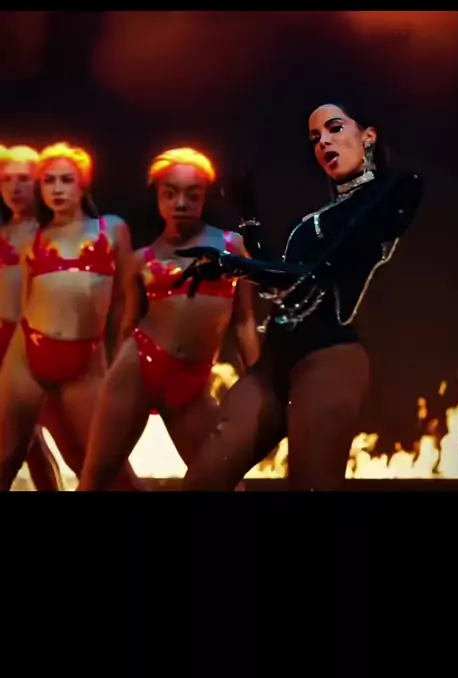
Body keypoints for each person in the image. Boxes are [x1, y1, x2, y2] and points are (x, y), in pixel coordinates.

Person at [173, 104, 423, 491]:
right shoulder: (311, 222)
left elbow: (319, 271)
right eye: (315, 137)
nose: (323, 141)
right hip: (274, 365)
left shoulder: (393, 191)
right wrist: (248, 214)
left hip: (328, 359)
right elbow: (282, 282)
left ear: (368, 137)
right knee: (203, 478)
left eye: (334, 128)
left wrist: (230, 264)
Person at [77, 147, 259, 490]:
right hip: (137, 367)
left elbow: (244, 322)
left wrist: (259, 381)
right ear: (158, 196)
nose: (181, 203)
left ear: (204, 196)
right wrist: (111, 379)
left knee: (225, 481)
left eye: (193, 194)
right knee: (96, 479)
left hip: (192, 383)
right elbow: (128, 323)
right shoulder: (140, 260)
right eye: (170, 193)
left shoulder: (231, 247)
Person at [0, 141, 143, 491]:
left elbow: (124, 303)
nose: (57, 188)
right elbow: (27, 302)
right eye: (49, 181)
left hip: (82, 356)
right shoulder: (32, 239)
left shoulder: (111, 230)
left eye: (66, 180)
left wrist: (116, 360)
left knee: (98, 463)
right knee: (10, 455)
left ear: (83, 184)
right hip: (26, 351)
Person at [0, 143, 64, 490]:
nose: (14, 187)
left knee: (31, 435)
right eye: (6, 179)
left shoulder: (51, 234)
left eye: (23, 179)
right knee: (26, 438)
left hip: (35, 343)